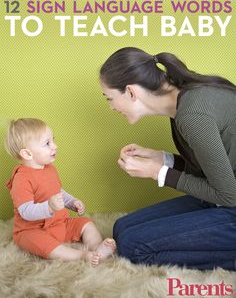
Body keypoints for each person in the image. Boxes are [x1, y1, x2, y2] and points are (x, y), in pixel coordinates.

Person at [100, 47, 236, 271]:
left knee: (132, 246)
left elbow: (228, 195)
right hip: (223, 195)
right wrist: (163, 159)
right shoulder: (184, 99)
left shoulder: (192, 115)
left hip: (229, 201)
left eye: (110, 98)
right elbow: (216, 169)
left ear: (131, 92)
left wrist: (157, 172)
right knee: (122, 228)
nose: (111, 107)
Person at [5, 118, 116, 266]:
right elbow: (26, 211)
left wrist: (72, 202)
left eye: (53, 140)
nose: (55, 146)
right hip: (32, 230)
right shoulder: (21, 178)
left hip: (59, 223)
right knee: (45, 245)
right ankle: (82, 255)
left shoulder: (49, 168)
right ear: (27, 154)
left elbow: (57, 191)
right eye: (47, 143)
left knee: (86, 223)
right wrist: (49, 207)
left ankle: (96, 249)